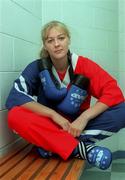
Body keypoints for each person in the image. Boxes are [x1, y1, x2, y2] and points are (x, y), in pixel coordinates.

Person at [6, 20, 125, 170]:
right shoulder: (37, 67)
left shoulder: (84, 65)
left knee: (123, 110)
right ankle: (81, 149)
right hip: (48, 125)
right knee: (14, 116)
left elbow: (113, 92)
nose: (56, 44)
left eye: (61, 38)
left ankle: (51, 145)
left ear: (68, 40)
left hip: (76, 127)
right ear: (45, 45)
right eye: (50, 40)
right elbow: (15, 96)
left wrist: (84, 118)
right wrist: (52, 115)